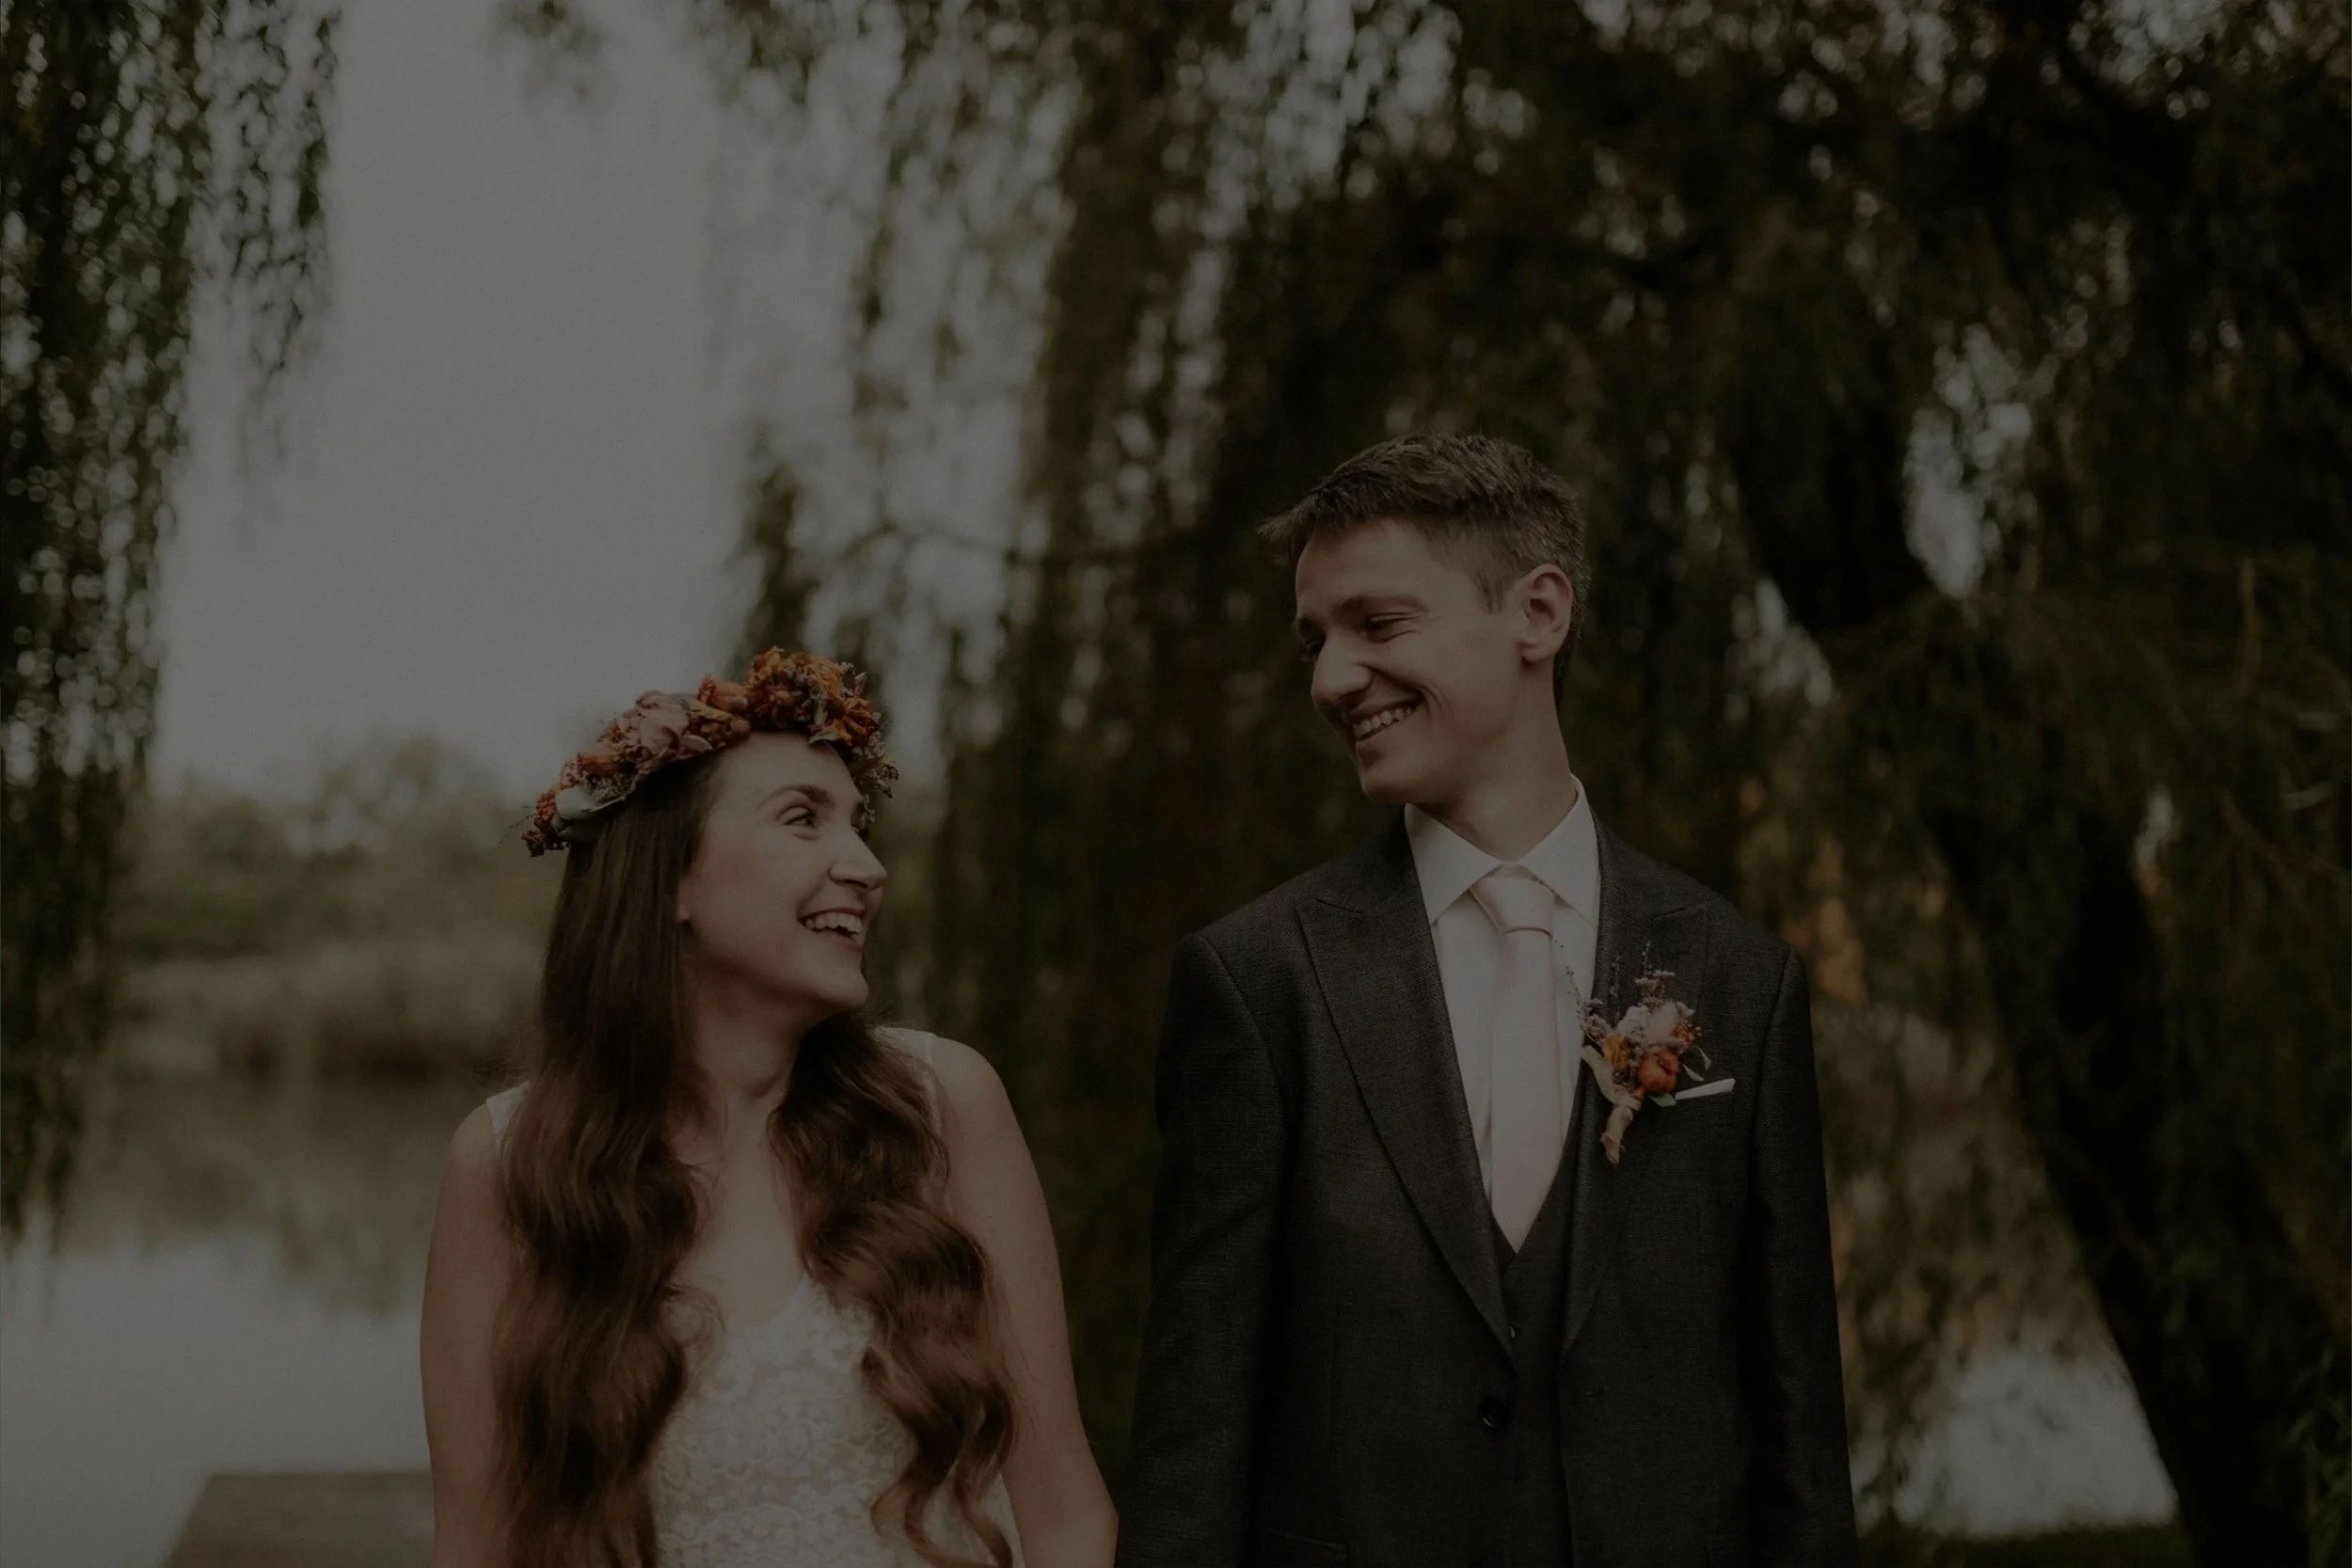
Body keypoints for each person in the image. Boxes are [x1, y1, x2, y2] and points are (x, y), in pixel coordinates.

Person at [1119, 436, 1858, 1567]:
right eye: (1315, 643)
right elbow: (1195, 1431)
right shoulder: (1258, 980)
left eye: (1378, 624)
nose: (1328, 679)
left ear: (1539, 613)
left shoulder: (1739, 978)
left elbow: (1798, 1425)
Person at [420, 649, 1116, 1568]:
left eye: (859, 827)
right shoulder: (508, 1160)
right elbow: (477, 1547)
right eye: (803, 820)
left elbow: (1066, 1516)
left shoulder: (944, 1105)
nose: (865, 866)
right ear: (671, 878)